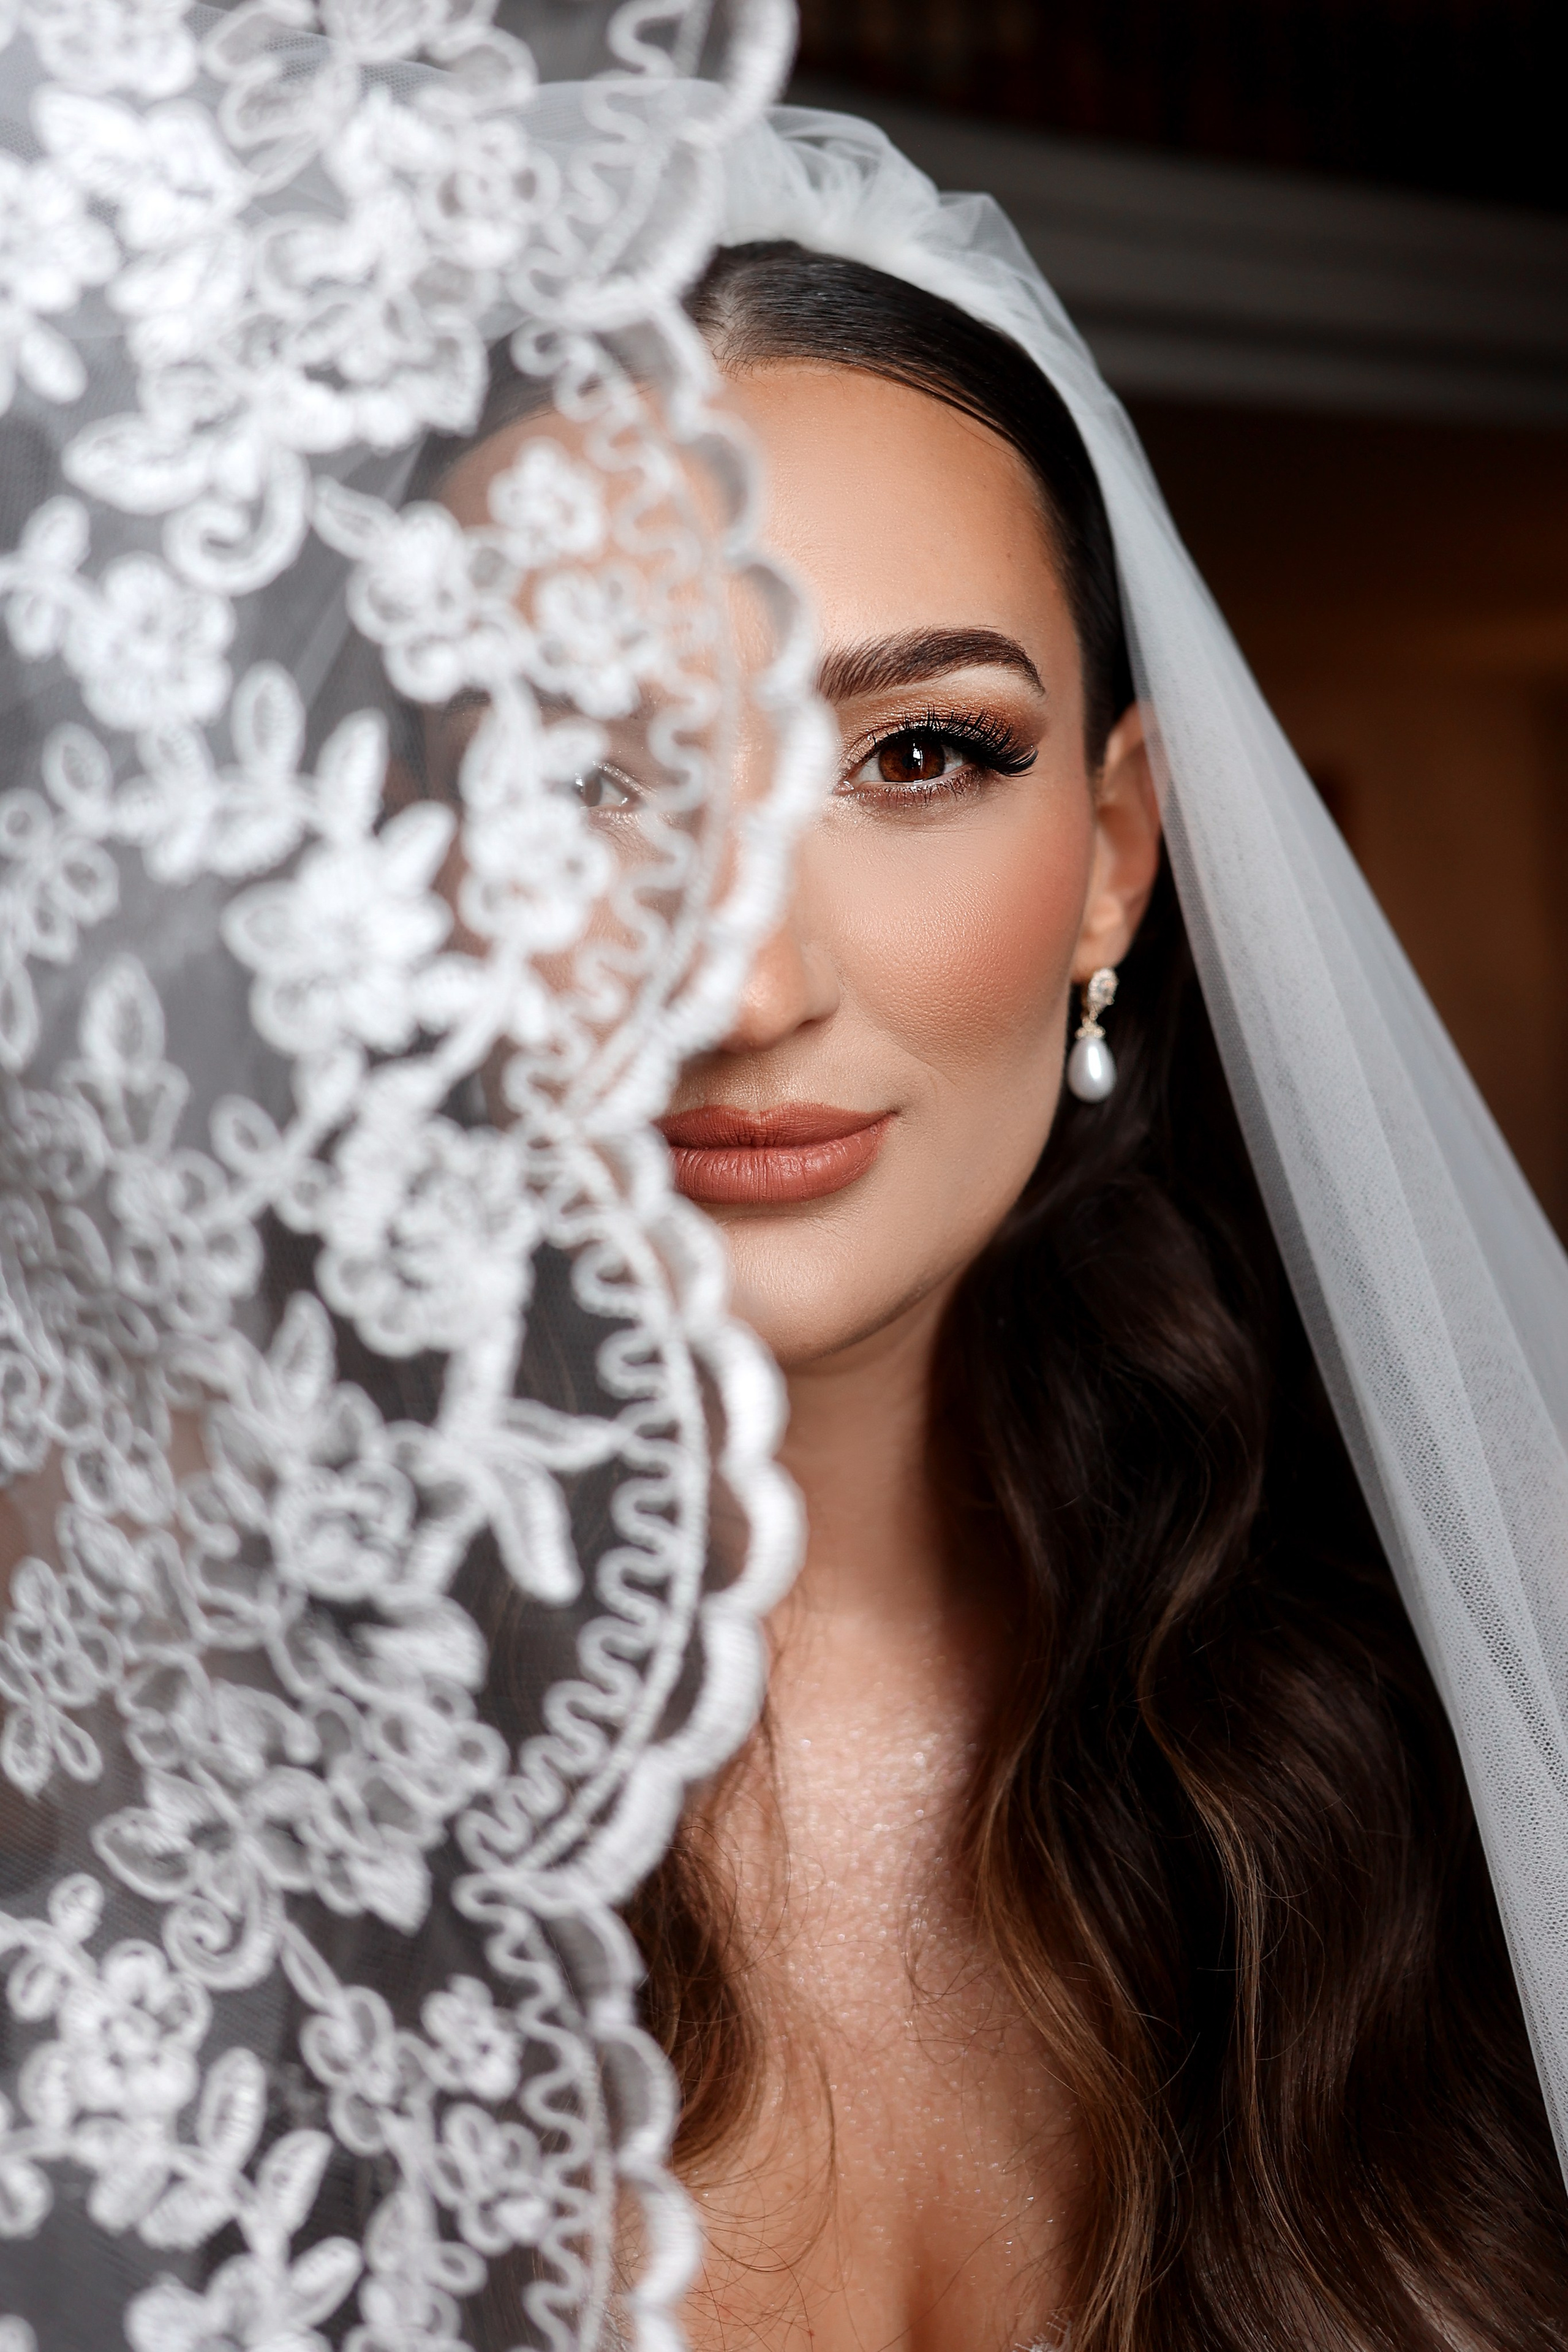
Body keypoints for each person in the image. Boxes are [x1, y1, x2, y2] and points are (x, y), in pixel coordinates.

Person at [615, 160, 1568, 2352]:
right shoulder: (137, 1804)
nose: (748, 977)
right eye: (590, 770)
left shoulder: (1448, 1701)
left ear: (1115, 862)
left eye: (920, 751)